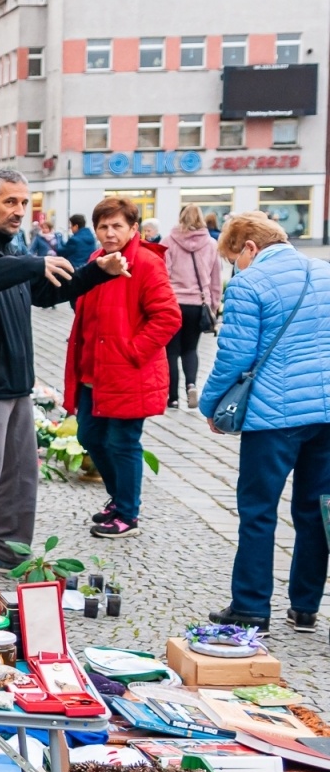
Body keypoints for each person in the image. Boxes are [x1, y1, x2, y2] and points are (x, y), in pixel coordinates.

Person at [0, 170, 125, 584]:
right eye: (10, 202)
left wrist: (96, 272)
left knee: (21, 476)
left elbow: (45, 290)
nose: (20, 211)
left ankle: (9, 554)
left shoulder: (9, 247)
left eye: (24, 203)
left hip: (17, 384)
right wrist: (30, 262)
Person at [201, 213, 330, 635]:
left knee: (258, 510)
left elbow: (234, 357)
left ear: (250, 248)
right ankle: (305, 606)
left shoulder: (248, 284)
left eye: (233, 258)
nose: (234, 268)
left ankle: (252, 607)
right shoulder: (325, 272)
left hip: (275, 416)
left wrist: (210, 405)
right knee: (314, 508)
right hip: (326, 413)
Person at [64, 198, 181, 539]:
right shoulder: (95, 260)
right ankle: (119, 499)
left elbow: (168, 317)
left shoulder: (144, 262)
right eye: (103, 226)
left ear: (133, 228)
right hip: (93, 371)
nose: (109, 232)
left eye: (117, 226)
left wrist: (132, 351)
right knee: (89, 435)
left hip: (129, 371)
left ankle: (128, 514)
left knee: (124, 442)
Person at [163, 203, 225, 410]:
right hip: (198, 304)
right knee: (190, 348)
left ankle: (172, 398)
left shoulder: (168, 241)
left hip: (173, 302)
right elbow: (216, 279)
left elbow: (163, 274)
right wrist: (214, 305)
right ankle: (191, 385)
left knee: (171, 351)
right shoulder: (210, 244)